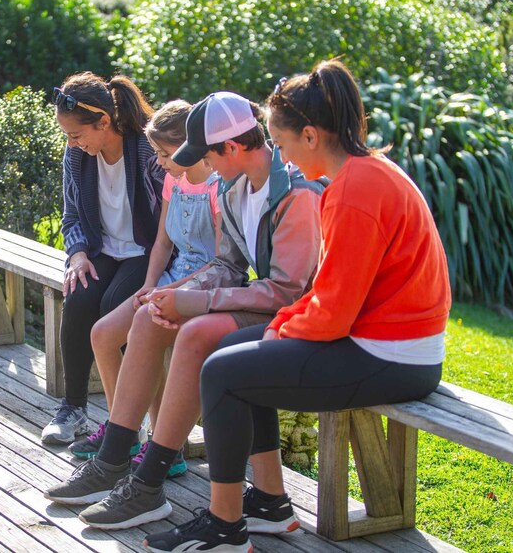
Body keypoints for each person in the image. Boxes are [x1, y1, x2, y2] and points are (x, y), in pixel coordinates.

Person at [142, 60, 453, 552]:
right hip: (385, 345)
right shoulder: (363, 175)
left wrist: (279, 330)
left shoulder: (354, 190)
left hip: (393, 357)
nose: (281, 154)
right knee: (238, 351)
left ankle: (224, 530)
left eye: (282, 143)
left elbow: (332, 314)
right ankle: (269, 505)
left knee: (224, 372)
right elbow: (329, 294)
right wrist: (280, 327)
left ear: (310, 135)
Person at [44, 91, 324, 532]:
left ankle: (149, 479)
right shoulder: (234, 188)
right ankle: (115, 459)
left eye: (207, 157)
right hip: (261, 303)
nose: (205, 168)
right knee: (147, 317)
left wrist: (195, 300)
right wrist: (172, 294)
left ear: (230, 147)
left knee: (195, 336)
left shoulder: (295, 194)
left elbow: (286, 292)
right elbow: (227, 266)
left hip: (300, 314)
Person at [69, 100, 222, 473]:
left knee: (146, 329)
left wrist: (170, 294)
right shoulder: (174, 180)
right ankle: (125, 431)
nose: (159, 162)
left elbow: (221, 263)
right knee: (104, 333)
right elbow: (163, 244)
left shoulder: (219, 188)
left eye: (165, 154)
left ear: (193, 148)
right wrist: (150, 285)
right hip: (169, 279)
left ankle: (164, 447)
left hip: (205, 288)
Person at [40, 72, 166, 445]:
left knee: (114, 306)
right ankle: (74, 409)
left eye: (76, 135)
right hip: (100, 249)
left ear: (105, 122)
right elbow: (71, 216)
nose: (70, 143)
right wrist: (77, 254)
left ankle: (129, 420)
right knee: (79, 297)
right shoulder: (76, 156)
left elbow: (168, 221)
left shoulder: (146, 151)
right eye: (67, 136)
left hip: (147, 250)